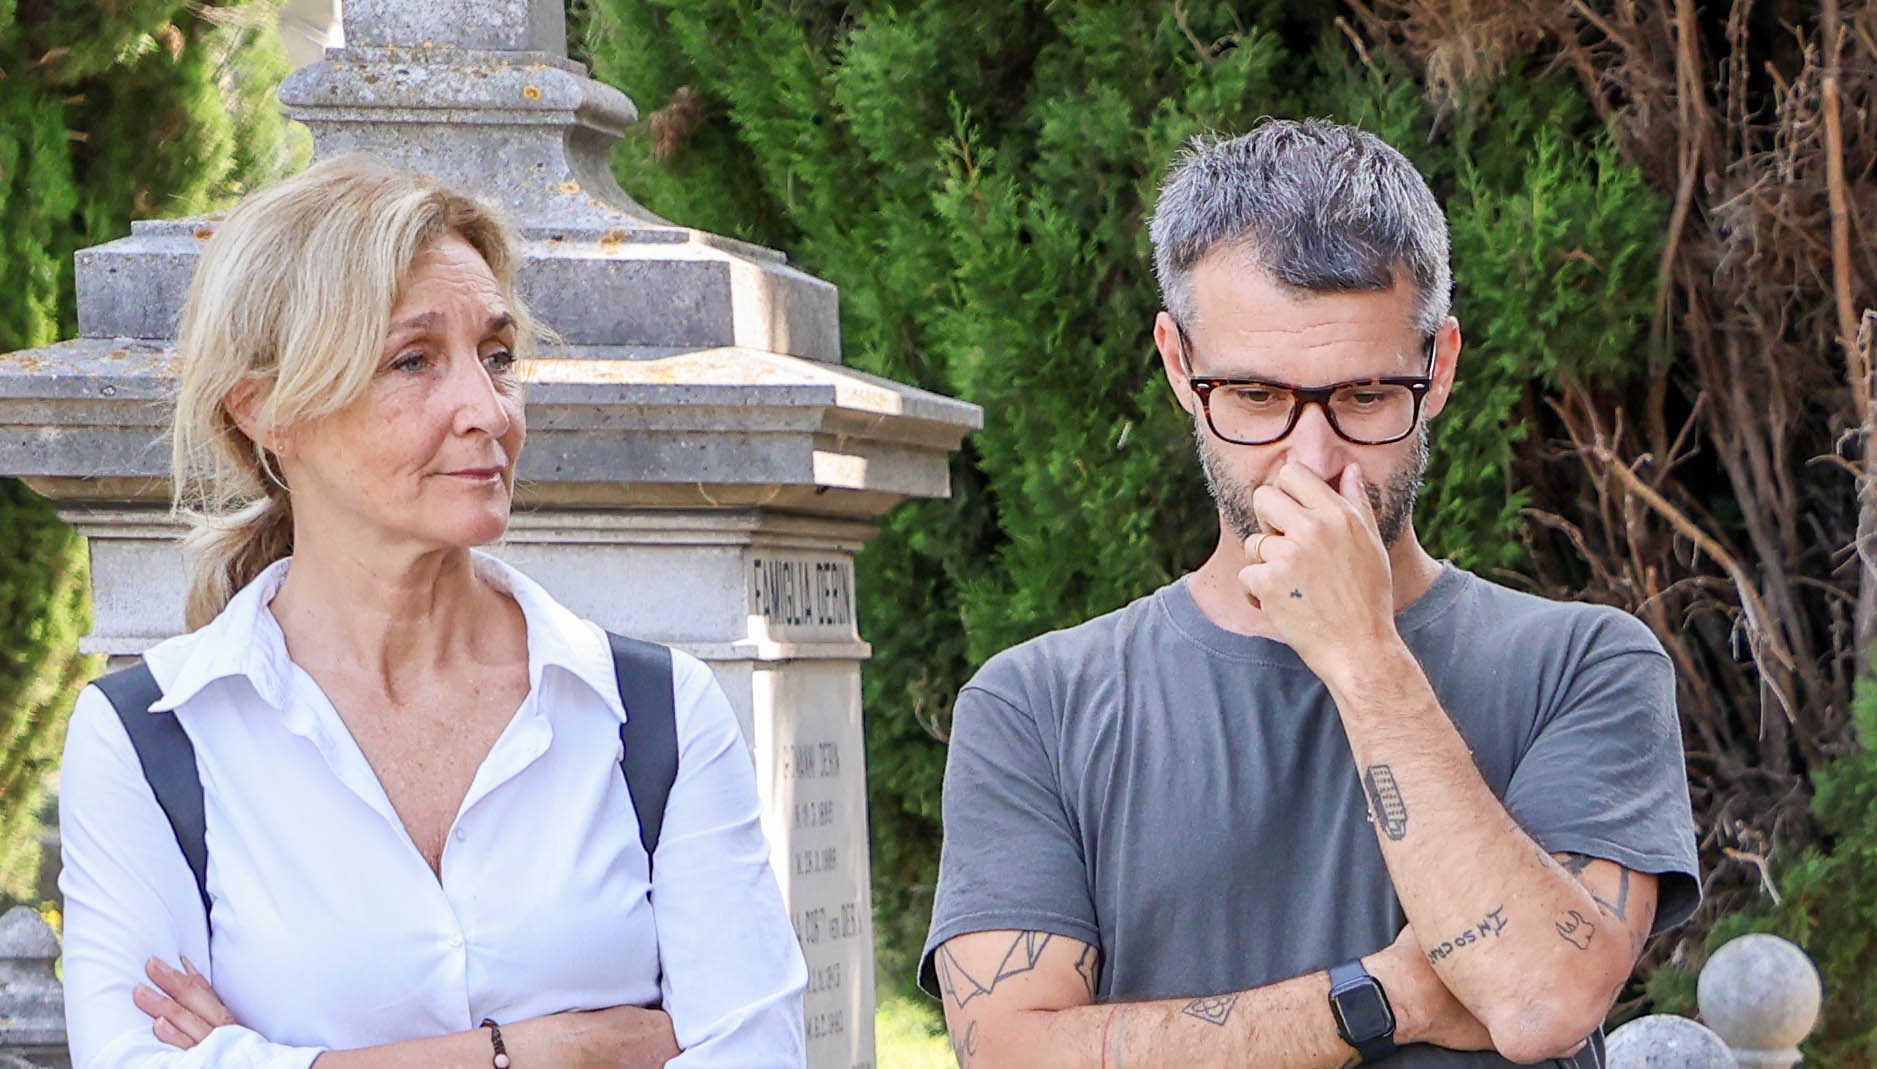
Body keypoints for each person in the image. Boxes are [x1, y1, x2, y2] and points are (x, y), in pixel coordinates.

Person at [922, 118, 1698, 1069]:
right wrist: (1385, 997)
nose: (1314, 460)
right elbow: (1011, 1052)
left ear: (1440, 368)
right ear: (1179, 366)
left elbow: (1542, 1000)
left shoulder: (1585, 664)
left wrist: (1363, 653)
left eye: (1366, 396)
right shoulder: (1036, 704)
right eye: (1257, 398)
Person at [52, 155, 808, 1068]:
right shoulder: (150, 738)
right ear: (265, 411)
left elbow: (757, 1053)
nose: (487, 410)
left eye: (497, 357)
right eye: (413, 361)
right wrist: (558, 1048)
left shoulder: (655, 714)